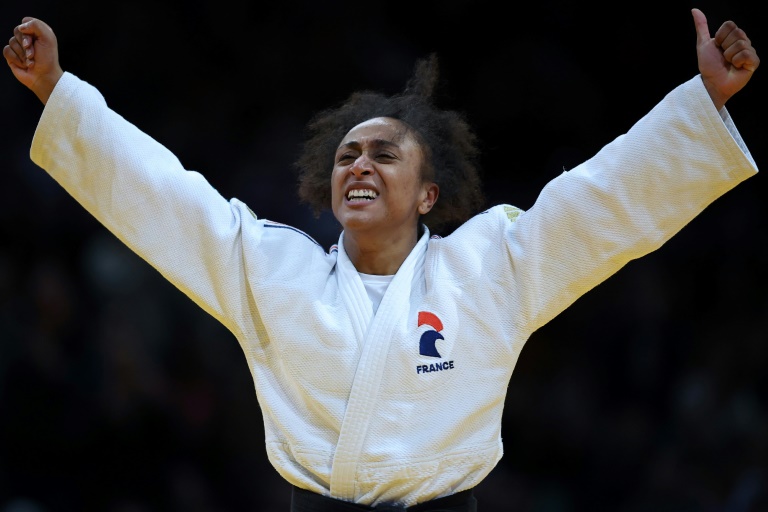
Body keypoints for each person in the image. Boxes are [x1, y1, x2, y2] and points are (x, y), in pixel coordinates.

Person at [3, 7, 760, 511]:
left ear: (430, 194)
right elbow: (164, 196)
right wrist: (57, 92)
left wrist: (704, 103)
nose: (359, 166)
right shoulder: (272, 271)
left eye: (384, 154)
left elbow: (603, 202)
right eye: (346, 155)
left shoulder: (491, 268)